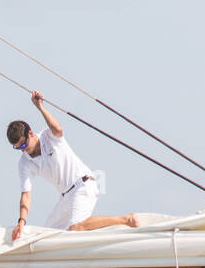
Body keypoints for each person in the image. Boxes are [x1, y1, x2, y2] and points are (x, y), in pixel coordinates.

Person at [8, 91, 139, 241]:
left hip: (83, 184)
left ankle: (127, 220)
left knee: (75, 227)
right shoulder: (24, 163)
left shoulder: (47, 137)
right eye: (18, 148)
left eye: (23, 144)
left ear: (30, 134)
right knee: (45, 237)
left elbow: (58, 129)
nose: (23, 149)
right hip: (66, 196)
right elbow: (26, 195)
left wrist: (40, 107)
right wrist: (21, 222)